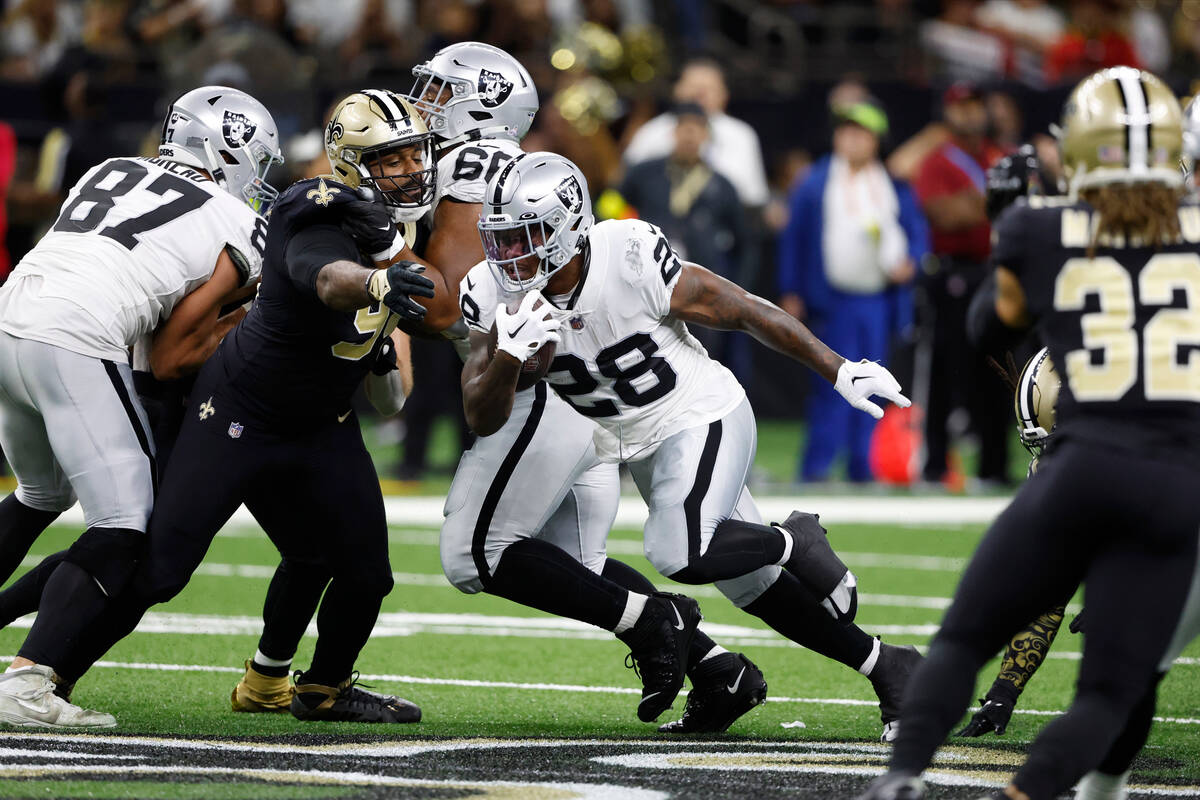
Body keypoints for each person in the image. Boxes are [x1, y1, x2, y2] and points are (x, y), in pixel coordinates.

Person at [460, 151, 925, 742]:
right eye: (498, 240)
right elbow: (480, 412)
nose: (508, 256)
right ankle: (890, 667)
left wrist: (837, 370)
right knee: (747, 582)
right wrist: (509, 357)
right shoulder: (491, 293)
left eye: (524, 236)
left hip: (698, 413)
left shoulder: (626, 257)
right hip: (623, 441)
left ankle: (794, 540)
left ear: (569, 226)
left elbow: (740, 309)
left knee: (677, 550)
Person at [26, 88, 435, 726]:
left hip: (321, 421)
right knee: (158, 566)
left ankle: (321, 688)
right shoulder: (313, 205)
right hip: (240, 411)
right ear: (350, 163)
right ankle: (47, 673)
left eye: (416, 153)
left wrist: (383, 353)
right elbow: (323, 274)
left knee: (364, 573)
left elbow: (392, 400)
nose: (411, 169)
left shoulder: (403, 228)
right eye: (392, 157)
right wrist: (378, 282)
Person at [857, 66, 1200, 800]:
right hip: (1178, 483)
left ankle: (903, 777)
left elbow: (990, 328)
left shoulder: (1043, 228)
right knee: (1110, 694)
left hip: (1085, 461)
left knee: (961, 639)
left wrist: (1013, 220)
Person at [0, 85, 282, 727]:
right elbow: (167, 353)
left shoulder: (111, 170)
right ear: (232, 152)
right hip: (75, 334)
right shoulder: (238, 220)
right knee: (126, 524)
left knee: (39, 494)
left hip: (11, 313)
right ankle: (28, 683)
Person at [778, 98, 928, 483]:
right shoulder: (816, 181)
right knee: (832, 382)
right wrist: (791, 289)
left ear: (875, 140)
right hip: (834, 300)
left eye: (860, 133)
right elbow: (794, 238)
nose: (851, 139)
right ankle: (816, 469)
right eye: (845, 131)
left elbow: (915, 230)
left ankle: (864, 467)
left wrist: (912, 259)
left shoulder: (890, 183)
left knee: (875, 384)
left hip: (877, 300)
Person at [912, 82, 1011, 487]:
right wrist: (993, 201)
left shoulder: (997, 156)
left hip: (996, 270)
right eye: (962, 107)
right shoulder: (937, 161)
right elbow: (944, 215)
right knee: (945, 369)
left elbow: (1021, 210)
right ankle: (935, 467)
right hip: (953, 272)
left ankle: (993, 466)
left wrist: (973, 202)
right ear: (948, 112)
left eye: (975, 106)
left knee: (998, 371)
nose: (970, 114)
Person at [618, 101, 751, 380]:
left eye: (697, 129)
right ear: (674, 132)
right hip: (646, 281)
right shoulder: (645, 173)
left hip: (699, 287)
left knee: (700, 355)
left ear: (706, 136)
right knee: (641, 349)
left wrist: (737, 286)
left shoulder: (722, 185)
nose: (689, 135)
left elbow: (744, 240)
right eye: (684, 128)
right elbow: (612, 204)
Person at [622, 57, 769, 210]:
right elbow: (625, 188)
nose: (699, 95)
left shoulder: (741, 135)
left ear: (724, 95)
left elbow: (753, 197)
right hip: (658, 221)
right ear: (676, 90)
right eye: (693, 87)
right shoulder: (652, 132)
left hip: (718, 223)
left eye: (708, 89)